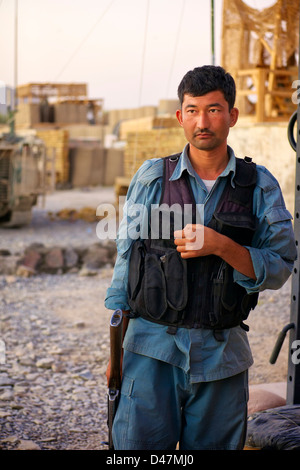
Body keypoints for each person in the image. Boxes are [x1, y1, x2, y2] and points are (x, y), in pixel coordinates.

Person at [104, 65, 297, 450]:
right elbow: (126, 262)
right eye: (192, 110)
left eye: (213, 109)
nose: (202, 121)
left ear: (232, 116)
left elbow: (280, 267)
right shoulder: (153, 177)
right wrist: (114, 352)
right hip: (150, 351)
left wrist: (221, 246)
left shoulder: (259, 185)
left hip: (221, 357)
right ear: (180, 117)